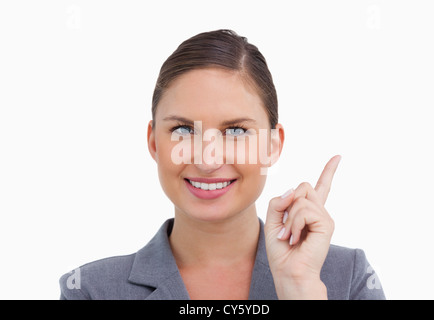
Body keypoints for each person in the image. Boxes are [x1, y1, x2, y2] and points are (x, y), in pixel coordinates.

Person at [59, 29, 385, 300]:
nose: (207, 159)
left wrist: (300, 289)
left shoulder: (348, 279)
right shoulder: (91, 290)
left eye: (235, 131)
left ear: (273, 144)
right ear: (154, 142)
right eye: (183, 130)